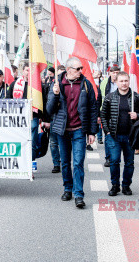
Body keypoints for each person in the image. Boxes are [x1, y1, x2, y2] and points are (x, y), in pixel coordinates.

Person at [47, 57, 97, 208]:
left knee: (78, 162)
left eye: (81, 68)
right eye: (78, 69)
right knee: (65, 163)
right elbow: (49, 110)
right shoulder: (57, 85)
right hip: (62, 130)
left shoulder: (85, 84)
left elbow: (93, 109)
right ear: (68, 70)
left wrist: (92, 132)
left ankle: (78, 194)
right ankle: (67, 188)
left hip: (79, 130)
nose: (81, 71)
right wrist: (55, 95)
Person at [100, 72, 139, 197]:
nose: (124, 83)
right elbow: (103, 115)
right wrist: (107, 131)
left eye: (126, 81)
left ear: (129, 82)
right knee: (114, 161)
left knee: (129, 162)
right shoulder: (109, 97)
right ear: (116, 82)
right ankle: (115, 185)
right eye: (121, 81)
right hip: (114, 136)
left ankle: (126, 185)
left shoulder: (137, 98)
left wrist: (138, 115)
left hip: (130, 136)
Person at [7, 64, 46, 163]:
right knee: (20, 140)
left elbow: (44, 100)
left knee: (32, 141)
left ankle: (30, 163)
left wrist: (43, 117)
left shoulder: (37, 85)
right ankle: (20, 163)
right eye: (27, 70)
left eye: (30, 70)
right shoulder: (15, 84)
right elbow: (8, 99)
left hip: (33, 116)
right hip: (18, 117)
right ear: (23, 71)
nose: (28, 72)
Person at [99, 66, 120, 167]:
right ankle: (108, 158)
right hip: (106, 112)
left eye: (117, 72)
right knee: (107, 135)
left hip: (119, 112)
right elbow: (99, 97)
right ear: (110, 73)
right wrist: (98, 115)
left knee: (118, 135)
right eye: (114, 72)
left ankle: (115, 156)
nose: (115, 74)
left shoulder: (121, 82)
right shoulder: (104, 83)